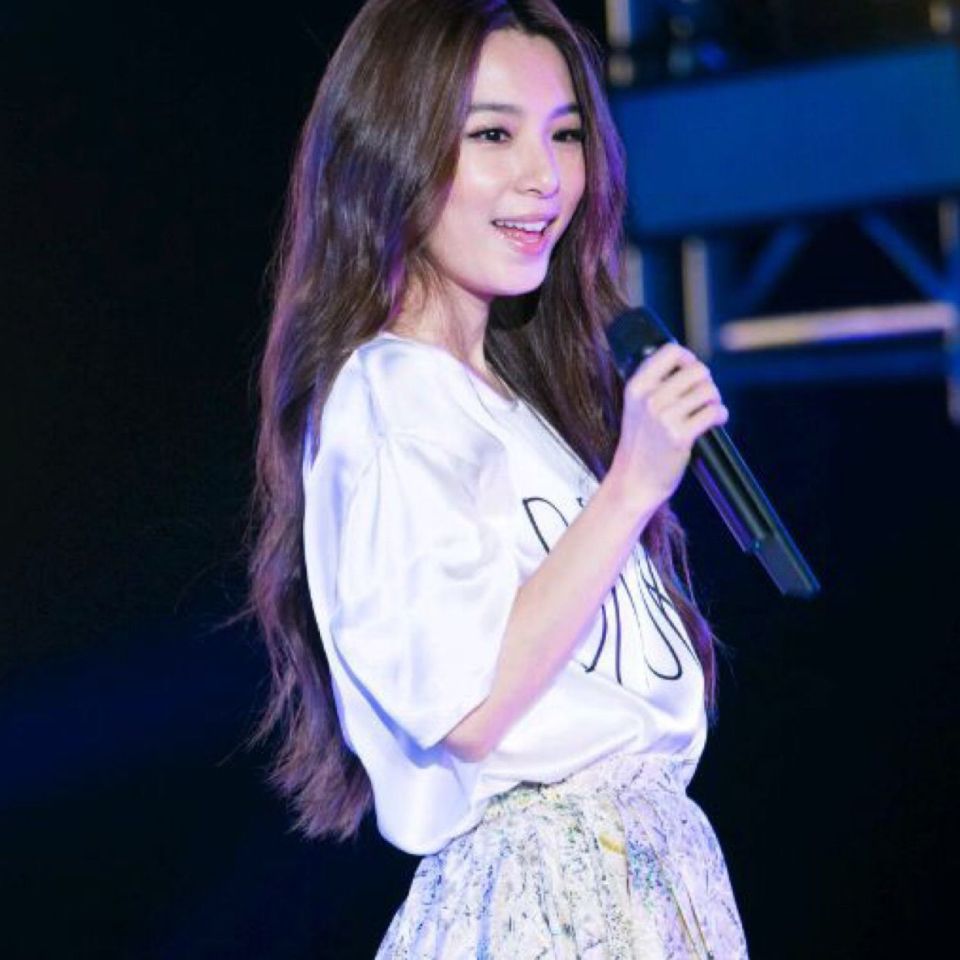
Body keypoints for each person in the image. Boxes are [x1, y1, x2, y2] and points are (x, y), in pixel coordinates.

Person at [249, 0, 749, 955]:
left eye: (565, 134)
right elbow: (469, 705)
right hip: (541, 900)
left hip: (645, 887)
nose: (544, 176)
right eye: (492, 134)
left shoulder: (522, 413)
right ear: (392, 150)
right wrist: (632, 486)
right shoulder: (392, 396)